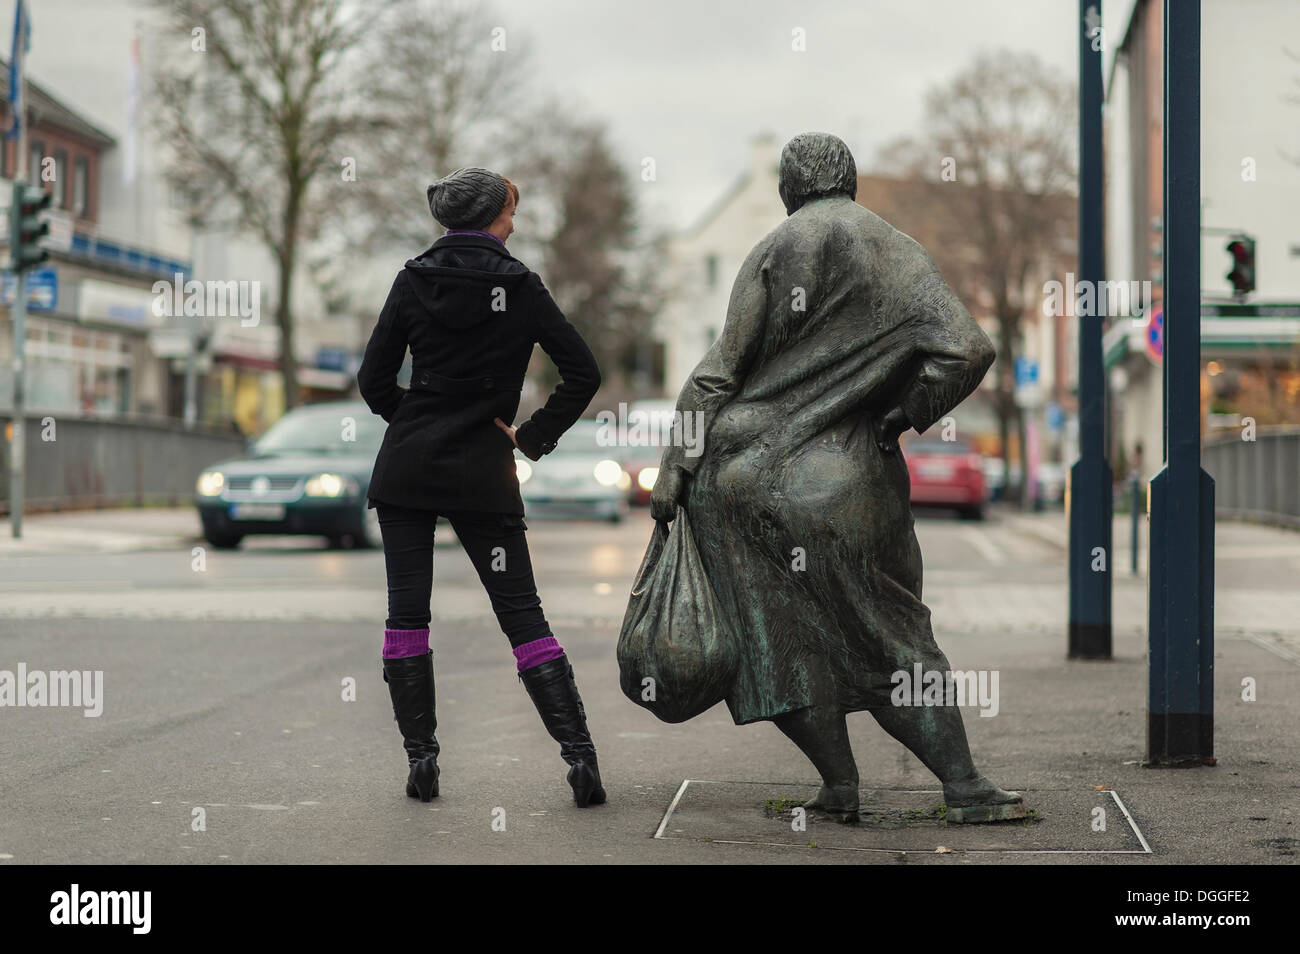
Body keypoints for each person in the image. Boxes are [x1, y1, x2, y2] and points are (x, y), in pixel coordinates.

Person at [650, 132, 1023, 822]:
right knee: (892, 633)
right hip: (844, 481)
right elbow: (968, 350)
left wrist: (674, 470)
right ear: (850, 181)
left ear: (789, 189)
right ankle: (965, 787)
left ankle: (839, 787)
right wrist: (901, 415)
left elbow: (715, 375)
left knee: (780, 646)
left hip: (739, 478)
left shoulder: (771, 250)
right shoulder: (894, 248)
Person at [357, 166, 606, 807]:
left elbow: (373, 379)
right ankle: (580, 761)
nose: (515, 224)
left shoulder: (412, 279)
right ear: (494, 216)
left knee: (406, 615)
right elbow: (582, 373)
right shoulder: (520, 286)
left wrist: (415, 423)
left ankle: (422, 763)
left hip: (408, 470)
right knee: (521, 613)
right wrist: (530, 437)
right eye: (511, 212)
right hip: (484, 471)